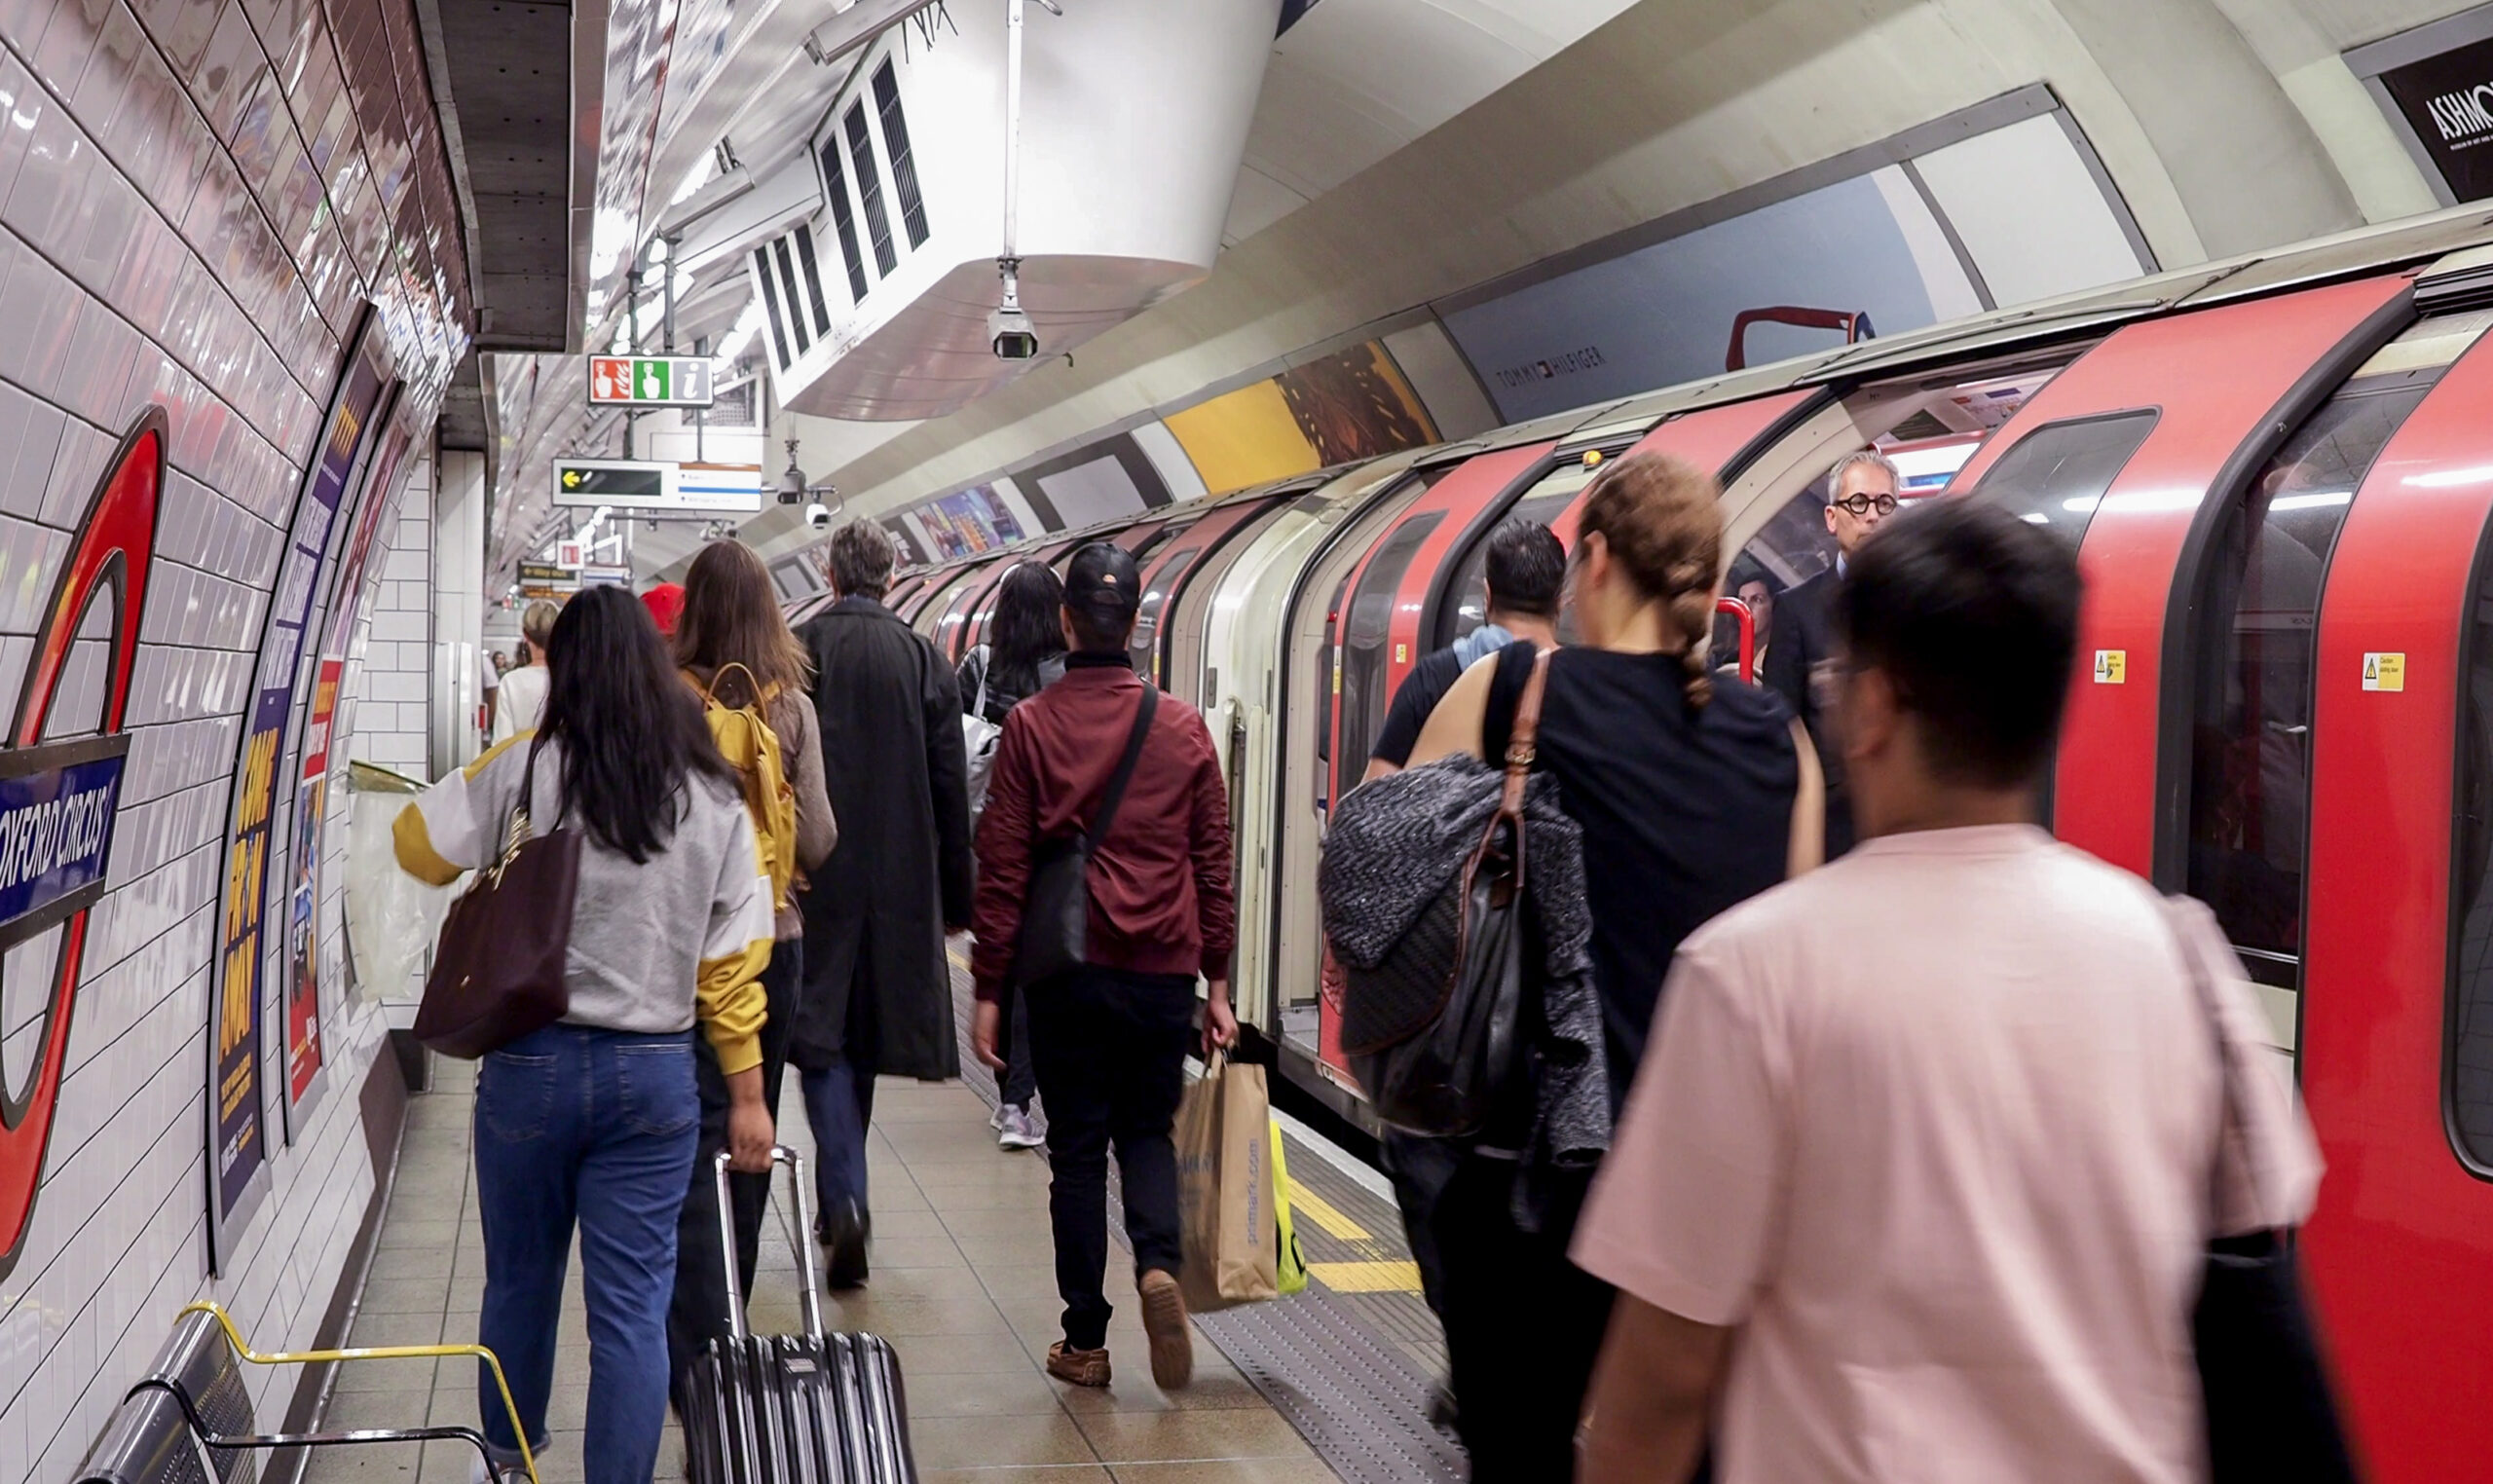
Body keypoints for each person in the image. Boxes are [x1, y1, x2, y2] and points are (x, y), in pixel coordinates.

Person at [1574, 498, 2326, 1483]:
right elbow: (2246, 1279)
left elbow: (1662, 1383)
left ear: (1874, 708)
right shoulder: (2176, 953)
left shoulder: (1752, 973)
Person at [1403, 452, 1819, 1480]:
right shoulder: (1779, 737)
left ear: (1591, 562)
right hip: (1709, 1201)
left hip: (1529, 1190)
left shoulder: (1509, 694)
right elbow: (1800, 975)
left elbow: (1387, 887)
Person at [391, 585, 775, 1484]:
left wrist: (501, 821)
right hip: (653, 1080)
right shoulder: (713, 793)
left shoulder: (527, 767)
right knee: (634, 1311)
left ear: (562, 669)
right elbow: (732, 963)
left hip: (531, 1068)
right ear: (653, 664)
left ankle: (510, 1464)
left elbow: (415, 843)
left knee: (520, 1284)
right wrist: (749, 1094)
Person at [968, 542, 1239, 1392]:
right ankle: (1159, 1266)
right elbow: (1213, 861)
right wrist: (1219, 982)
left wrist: (987, 990)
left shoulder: (1033, 725)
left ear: (1066, 620)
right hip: (1163, 967)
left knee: (1079, 1151)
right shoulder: (1184, 727)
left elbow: (1005, 867)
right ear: (1136, 623)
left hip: (1068, 970)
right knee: (1146, 1133)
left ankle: (1086, 1339)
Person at [665, 538, 838, 1406]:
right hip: (775, 942)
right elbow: (819, 841)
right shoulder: (793, 709)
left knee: (688, 1132)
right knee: (750, 1127)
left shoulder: (664, 701)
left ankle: (687, 1331)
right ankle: (728, 1310)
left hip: (679, 949)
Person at [793, 521, 973, 1287]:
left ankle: (844, 1197)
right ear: (891, 578)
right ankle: (844, 1202)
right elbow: (950, 786)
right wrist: (956, 898)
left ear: (832, 576)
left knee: (823, 1039)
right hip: (900, 880)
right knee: (858, 1037)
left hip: (817, 875)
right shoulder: (924, 657)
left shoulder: (800, 651)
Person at [955, 561, 1068, 1150]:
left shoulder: (979, 664)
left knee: (1007, 969)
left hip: (995, 839)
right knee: (1053, 970)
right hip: (1056, 843)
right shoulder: (1069, 674)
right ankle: (1059, 1091)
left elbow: (949, 743)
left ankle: (1014, 1104)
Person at [1762, 449, 1897, 858]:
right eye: (1858, 503)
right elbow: (1782, 727)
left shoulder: (1921, 603)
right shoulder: (1797, 609)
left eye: (1885, 503)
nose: (1872, 516)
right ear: (1831, 517)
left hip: (1907, 820)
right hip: (1832, 825)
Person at [1363, 519, 1564, 781]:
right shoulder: (1583, 688)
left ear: (1488, 596)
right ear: (1559, 603)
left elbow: (1375, 792)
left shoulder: (1432, 677)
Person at [491, 602, 560, 744]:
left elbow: (501, 744)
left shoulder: (511, 682)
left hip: (522, 765)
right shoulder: (572, 680)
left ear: (525, 635)